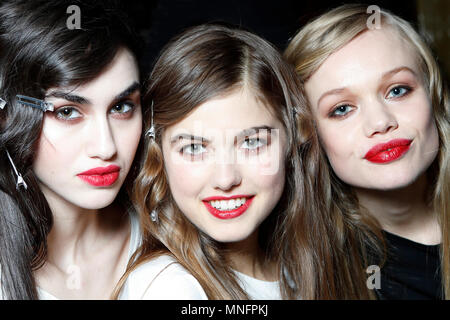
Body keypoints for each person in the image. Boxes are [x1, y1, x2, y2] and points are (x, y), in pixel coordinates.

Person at [114, 22, 364, 300]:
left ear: (292, 138)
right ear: (158, 154)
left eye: (252, 142)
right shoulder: (170, 288)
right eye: (194, 148)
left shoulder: (303, 265)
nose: (226, 178)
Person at [285, 4, 449, 299]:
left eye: (397, 90)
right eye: (342, 109)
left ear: (433, 94)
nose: (381, 123)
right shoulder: (309, 274)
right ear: (311, 135)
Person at [0, 0, 145, 299]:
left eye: (121, 106)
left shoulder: (175, 238)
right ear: (6, 117)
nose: (106, 148)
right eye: (67, 112)